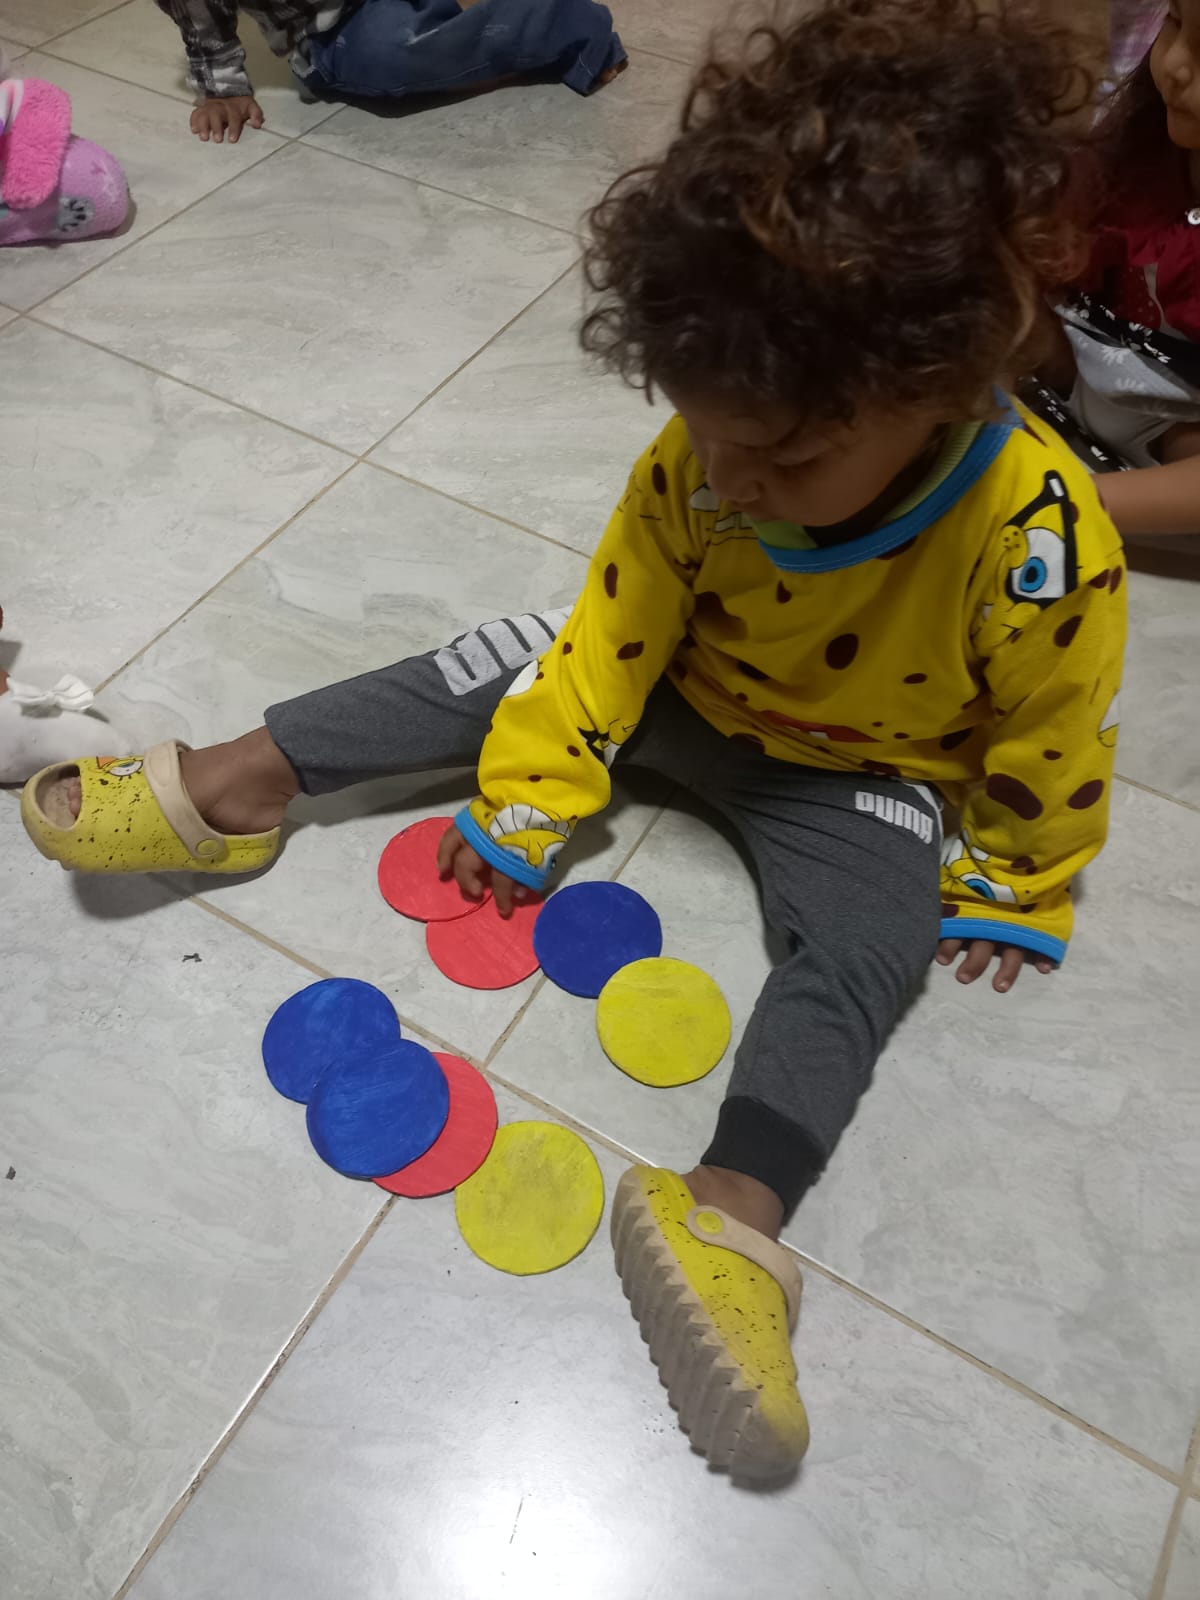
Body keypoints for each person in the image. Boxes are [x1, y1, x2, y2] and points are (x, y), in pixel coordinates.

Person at [22, 0, 1126, 1481]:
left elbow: (1055, 721)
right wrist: (537, 789)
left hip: (860, 772)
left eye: (786, 455)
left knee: (875, 943)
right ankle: (238, 782)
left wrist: (1019, 874)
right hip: (678, 679)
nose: (731, 477)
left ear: (944, 379)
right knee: (500, 652)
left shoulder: (1041, 531)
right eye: (708, 433)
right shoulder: (711, 455)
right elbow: (615, 623)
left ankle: (735, 1208)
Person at [1029, 0, 1200, 544]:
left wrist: (1052, 502)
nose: (1175, 63)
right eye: (1175, 22)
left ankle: (1056, 501)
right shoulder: (1142, 139)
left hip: (1174, 436)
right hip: (1075, 362)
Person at [155, 0, 626, 145]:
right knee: (393, 54)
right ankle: (569, 24)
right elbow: (199, 14)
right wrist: (221, 87)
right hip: (335, 27)